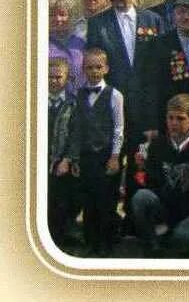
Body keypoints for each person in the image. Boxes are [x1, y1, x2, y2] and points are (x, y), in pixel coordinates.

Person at [86, 0, 164, 226]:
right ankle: (107, 224)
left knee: (139, 167)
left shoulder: (154, 20)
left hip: (145, 110)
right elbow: (95, 68)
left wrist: (154, 117)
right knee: (110, 166)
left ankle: (135, 220)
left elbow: (158, 72)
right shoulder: (98, 23)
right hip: (112, 110)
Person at [131, 93, 189, 257]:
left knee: (183, 237)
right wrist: (143, 168)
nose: (174, 123)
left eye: (180, 118)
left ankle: (175, 237)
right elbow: (152, 183)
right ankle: (153, 241)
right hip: (164, 208)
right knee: (141, 197)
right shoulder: (158, 145)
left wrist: (173, 222)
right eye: (170, 118)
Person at [76, 48, 124, 256]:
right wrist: (75, 158)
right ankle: (91, 242)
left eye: (98, 67)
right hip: (86, 156)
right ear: (83, 69)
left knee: (106, 200)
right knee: (89, 200)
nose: (94, 71)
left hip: (106, 156)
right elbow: (76, 127)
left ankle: (106, 243)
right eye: (89, 67)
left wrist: (115, 156)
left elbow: (119, 128)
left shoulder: (114, 94)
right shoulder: (79, 93)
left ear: (106, 68)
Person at [47, 57, 80, 250]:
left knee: (62, 199)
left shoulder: (72, 104)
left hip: (61, 160)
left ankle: (61, 238)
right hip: (40, 159)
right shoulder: (34, 101)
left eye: (58, 77)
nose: (53, 81)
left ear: (67, 79)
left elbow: (75, 135)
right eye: (50, 77)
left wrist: (67, 159)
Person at [48, 0, 85, 91]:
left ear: (70, 16)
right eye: (52, 15)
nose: (58, 19)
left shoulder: (81, 42)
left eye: (62, 14)